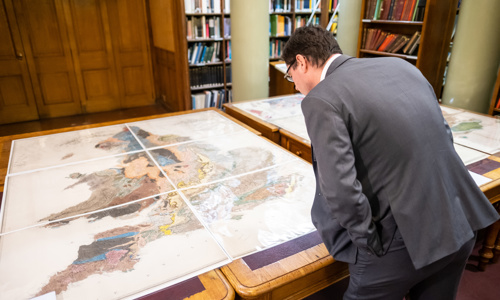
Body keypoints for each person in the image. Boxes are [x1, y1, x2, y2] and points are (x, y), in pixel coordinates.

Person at [281, 25, 499, 300]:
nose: (295, 85)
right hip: (459, 220)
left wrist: (368, 243)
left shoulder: (321, 98)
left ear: (300, 61)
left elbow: (339, 188)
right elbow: (443, 134)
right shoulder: (402, 67)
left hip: (403, 241)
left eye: (291, 76)